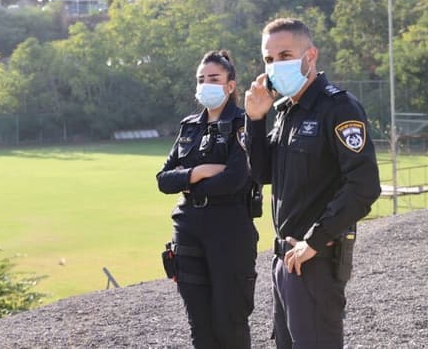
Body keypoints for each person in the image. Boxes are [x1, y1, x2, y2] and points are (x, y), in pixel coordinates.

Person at [244, 18, 381, 348]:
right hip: (285, 261)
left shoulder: (338, 107)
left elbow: (364, 186)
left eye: (286, 54)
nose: (276, 65)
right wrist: (255, 120)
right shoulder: (286, 111)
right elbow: (263, 175)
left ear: (311, 55)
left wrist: (315, 241)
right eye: (269, 59)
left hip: (315, 260)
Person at [157, 50, 259, 349]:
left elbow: (234, 180)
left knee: (229, 323)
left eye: (214, 78)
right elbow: (163, 180)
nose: (206, 84)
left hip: (229, 228)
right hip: (188, 228)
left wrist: (186, 182)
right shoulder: (190, 126)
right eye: (201, 79)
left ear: (230, 85)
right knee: (200, 328)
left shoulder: (243, 124)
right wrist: (198, 172)